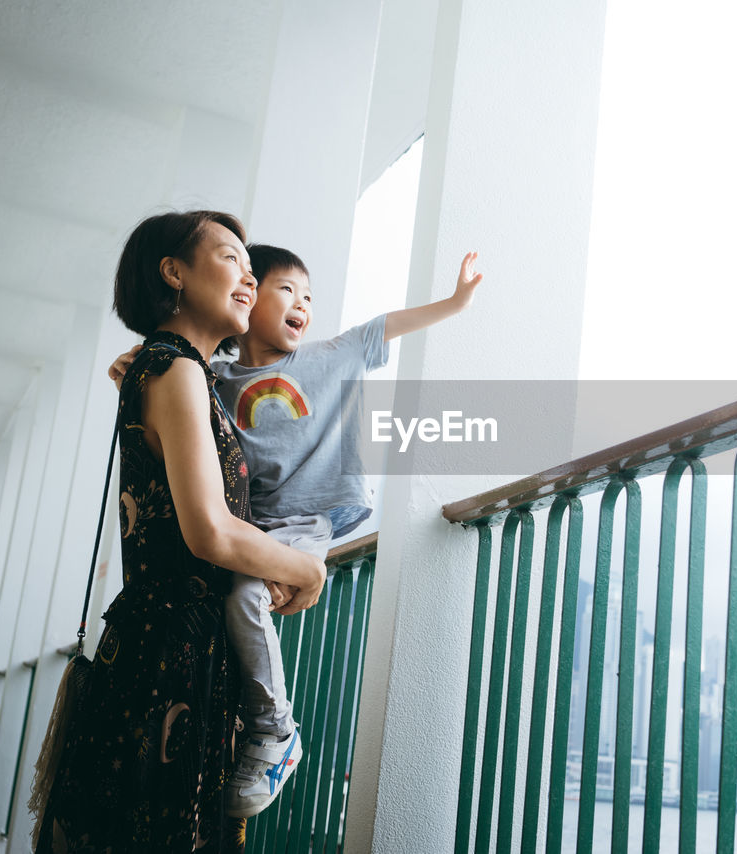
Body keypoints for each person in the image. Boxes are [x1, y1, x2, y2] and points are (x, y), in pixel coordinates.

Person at [108, 244, 483, 817]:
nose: (302, 304)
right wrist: (129, 366)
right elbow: (171, 392)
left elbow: (390, 325)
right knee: (223, 599)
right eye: (287, 290)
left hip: (306, 523)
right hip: (249, 526)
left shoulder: (331, 355)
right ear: (249, 297)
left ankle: (276, 731)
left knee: (247, 598)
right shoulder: (215, 379)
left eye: (308, 297)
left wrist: (454, 303)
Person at [38, 211, 328, 853]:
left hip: (161, 647)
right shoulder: (175, 370)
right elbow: (210, 532)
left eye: (253, 267)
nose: (249, 277)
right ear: (174, 272)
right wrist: (305, 567)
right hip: (169, 658)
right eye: (231, 258)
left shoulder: (167, 367)